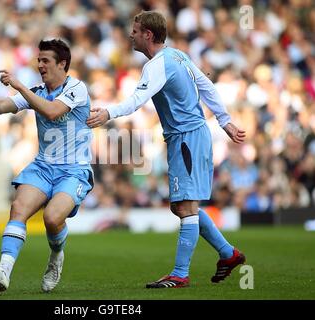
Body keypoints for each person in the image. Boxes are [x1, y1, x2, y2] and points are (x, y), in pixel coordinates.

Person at [87, 11, 247, 288]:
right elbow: (206, 85)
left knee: (185, 206)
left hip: (186, 137)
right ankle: (227, 253)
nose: (131, 35)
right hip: (188, 136)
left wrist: (107, 113)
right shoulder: (179, 55)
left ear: (147, 34)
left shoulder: (157, 65)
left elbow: (138, 100)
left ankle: (180, 274)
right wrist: (225, 121)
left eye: (135, 31)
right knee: (181, 204)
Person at [0, 39, 94, 293]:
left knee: (52, 218)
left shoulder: (77, 88)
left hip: (74, 169)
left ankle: (56, 256)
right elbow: (2, 106)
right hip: (43, 166)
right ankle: (3, 271)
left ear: (62, 64)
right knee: (18, 207)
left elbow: (52, 112)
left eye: (46, 60)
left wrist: (20, 86)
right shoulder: (37, 90)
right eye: (39, 60)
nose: (40, 65)